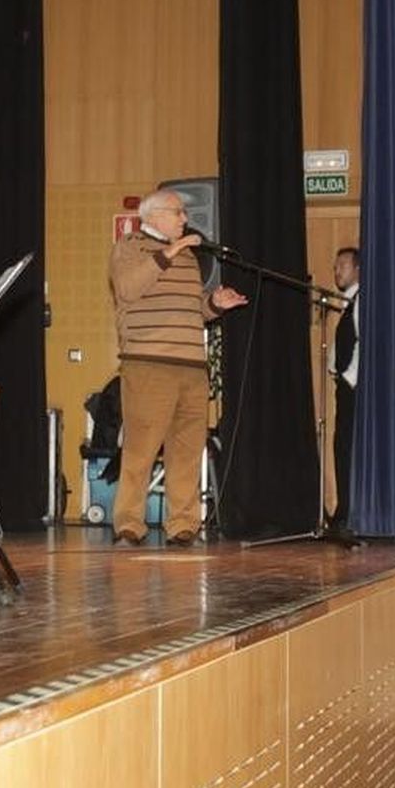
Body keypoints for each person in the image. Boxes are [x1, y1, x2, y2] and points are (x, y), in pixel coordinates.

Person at [108, 190, 247, 546]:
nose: (185, 218)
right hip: (148, 365)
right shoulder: (130, 246)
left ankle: (183, 524)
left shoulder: (187, 258)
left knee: (186, 450)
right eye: (178, 212)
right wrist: (169, 252)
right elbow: (127, 288)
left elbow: (191, 310)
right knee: (141, 450)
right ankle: (129, 524)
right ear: (153, 216)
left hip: (191, 367)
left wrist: (213, 304)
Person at [330, 247, 360, 534]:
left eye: (343, 265)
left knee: (347, 447)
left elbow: (363, 341)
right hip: (345, 384)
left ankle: (348, 511)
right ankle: (343, 508)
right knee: (341, 447)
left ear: (358, 269)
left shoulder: (361, 301)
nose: (337, 271)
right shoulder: (347, 303)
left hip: (354, 387)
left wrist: (350, 377)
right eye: (336, 266)